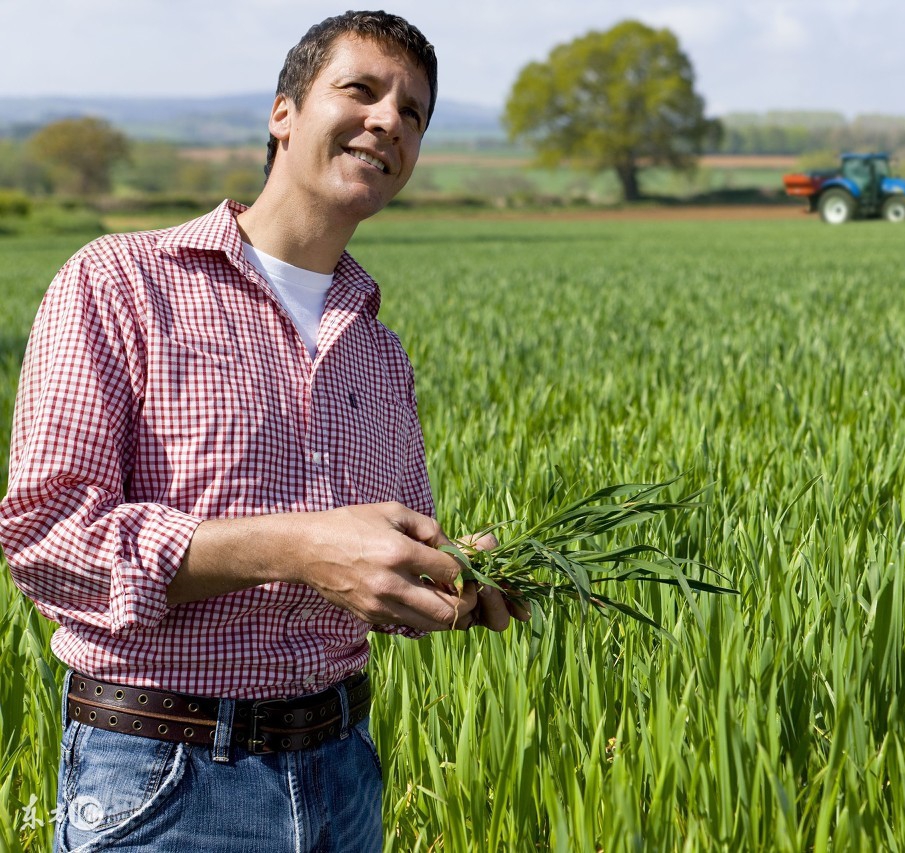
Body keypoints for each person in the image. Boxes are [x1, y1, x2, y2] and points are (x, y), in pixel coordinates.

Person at [0, 11, 525, 851]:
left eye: (414, 112)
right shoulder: (120, 282)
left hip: (344, 776)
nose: (389, 119)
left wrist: (445, 581)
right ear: (283, 112)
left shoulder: (379, 352)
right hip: (163, 779)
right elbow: (46, 538)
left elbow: (361, 571)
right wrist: (294, 545)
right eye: (361, 89)